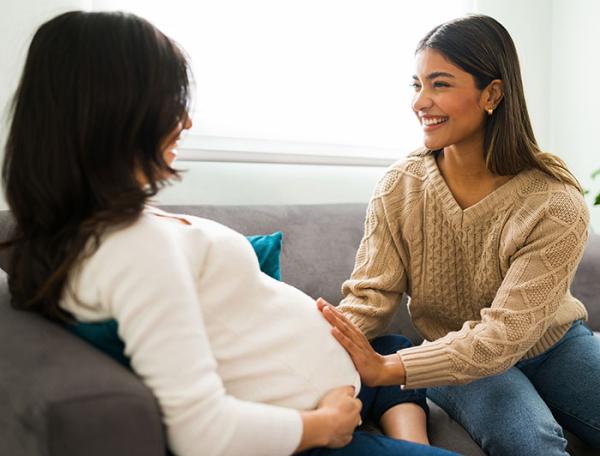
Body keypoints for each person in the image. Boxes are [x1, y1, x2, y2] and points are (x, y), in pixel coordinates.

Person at [1, 11, 458, 456]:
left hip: (336, 388)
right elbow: (201, 433)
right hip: (311, 430)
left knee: (394, 349)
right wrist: (324, 425)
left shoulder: (115, 224)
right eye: (169, 102)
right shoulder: (133, 250)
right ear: (116, 113)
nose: (186, 122)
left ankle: (406, 444)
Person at [319, 14, 600, 456]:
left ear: (493, 93)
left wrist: (387, 367)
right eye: (417, 85)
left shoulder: (554, 201)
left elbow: (505, 334)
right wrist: (310, 349)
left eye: (440, 84)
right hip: (454, 352)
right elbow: (370, 297)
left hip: (553, 344)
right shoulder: (399, 187)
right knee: (532, 441)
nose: (420, 102)